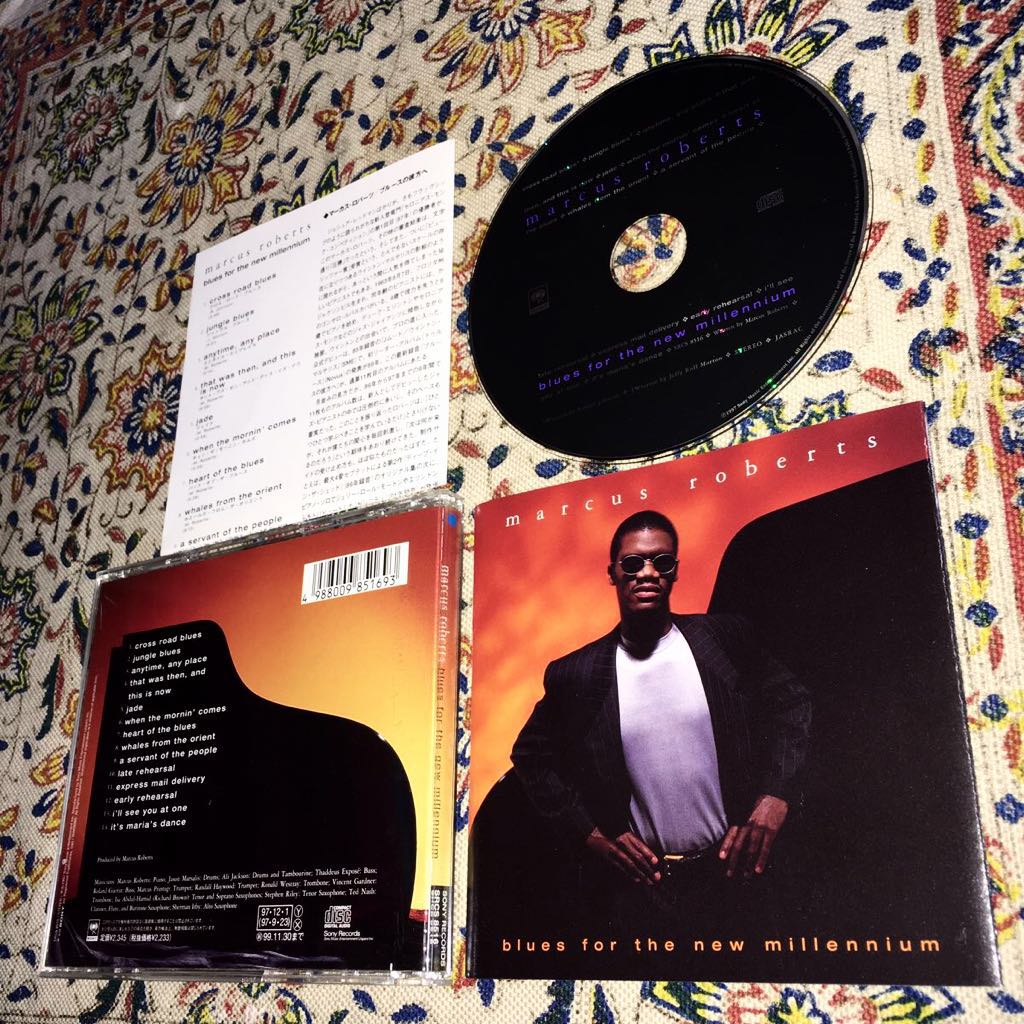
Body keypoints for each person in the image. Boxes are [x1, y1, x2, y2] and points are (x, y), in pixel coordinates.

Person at [510, 510, 810, 925]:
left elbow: (792, 702)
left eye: (661, 562)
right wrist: (590, 834)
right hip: (647, 891)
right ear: (613, 573)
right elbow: (530, 757)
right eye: (633, 563)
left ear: (675, 571)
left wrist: (777, 794)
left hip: (738, 871)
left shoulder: (723, 638)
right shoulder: (578, 673)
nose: (647, 573)